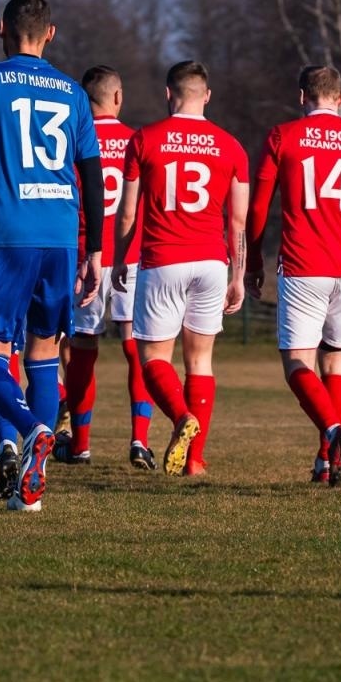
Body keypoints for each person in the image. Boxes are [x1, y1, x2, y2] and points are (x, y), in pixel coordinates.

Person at [0, 0, 104, 512]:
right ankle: (30, 494)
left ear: (1, 30)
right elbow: (92, 177)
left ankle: (32, 429)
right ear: (51, 33)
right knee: (41, 354)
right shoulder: (74, 92)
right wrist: (95, 251)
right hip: (59, 236)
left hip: (4, 235)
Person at [247, 65, 341, 486]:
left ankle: (332, 433)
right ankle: (331, 463)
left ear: (302, 96)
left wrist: (252, 261)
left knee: (297, 364)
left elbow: (258, 207)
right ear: (340, 99)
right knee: (336, 362)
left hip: (304, 264)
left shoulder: (283, 136)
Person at [114, 61, 249, 477]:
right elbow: (238, 221)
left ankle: (179, 417)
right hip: (212, 261)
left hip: (163, 259)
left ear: (168, 94)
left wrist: (121, 256)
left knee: (153, 355)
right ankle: (195, 461)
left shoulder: (145, 139)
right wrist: (238, 276)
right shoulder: (231, 146)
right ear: (206, 96)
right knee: (201, 362)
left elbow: (127, 213)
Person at [59, 65, 156, 470]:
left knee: (83, 350)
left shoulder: (72, 140)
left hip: (87, 257)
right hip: (131, 258)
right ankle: (139, 440)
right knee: (138, 349)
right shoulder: (138, 140)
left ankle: (80, 445)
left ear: (84, 100)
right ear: (117, 98)